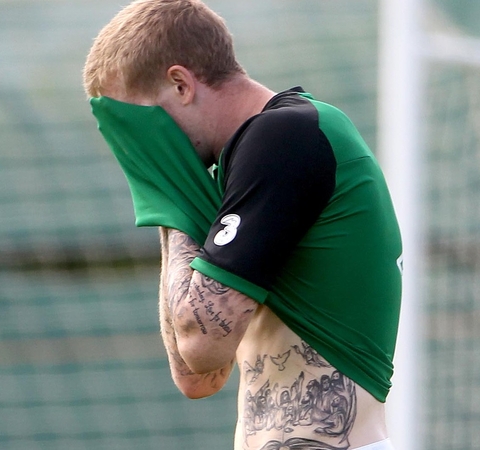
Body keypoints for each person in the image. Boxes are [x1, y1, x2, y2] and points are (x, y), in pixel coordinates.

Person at [83, 1, 402, 449]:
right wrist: (171, 206)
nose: (142, 152)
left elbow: (203, 344)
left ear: (181, 84)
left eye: (141, 128)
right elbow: (197, 377)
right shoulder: (250, 160)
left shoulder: (285, 137)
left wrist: (168, 192)